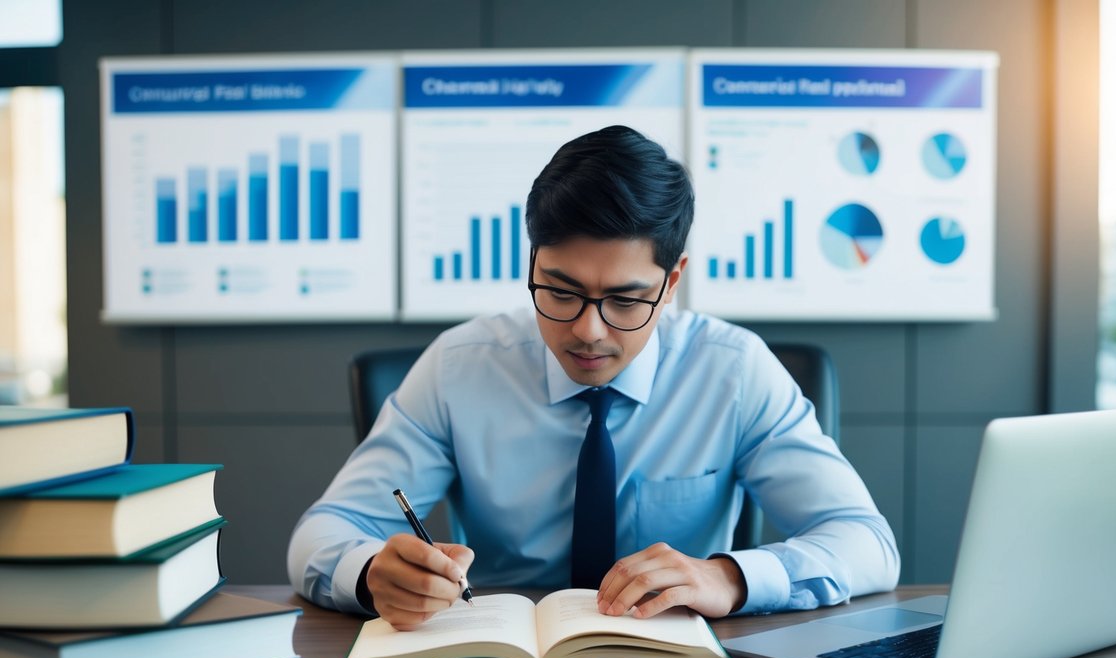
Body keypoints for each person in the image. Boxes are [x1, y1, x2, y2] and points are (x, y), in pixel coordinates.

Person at [288, 124, 899, 630]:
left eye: (626, 301)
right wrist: (372, 574)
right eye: (560, 291)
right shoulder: (459, 367)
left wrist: (728, 576)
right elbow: (323, 532)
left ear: (673, 281)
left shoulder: (733, 371)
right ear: (531, 263)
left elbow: (867, 542)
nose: (589, 332)